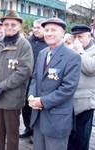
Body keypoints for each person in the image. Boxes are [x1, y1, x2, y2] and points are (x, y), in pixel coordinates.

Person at [28, 18, 81, 150]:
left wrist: (42, 101)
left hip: (57, 119)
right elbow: (35, 78)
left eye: (53, 30)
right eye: (46, 30)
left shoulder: (72, 57)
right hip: (39, 116)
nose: (49, 33)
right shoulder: (42, 53)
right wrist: (31, 95)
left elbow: (68, 89)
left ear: (63, 33)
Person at [0, 10, 34, 150]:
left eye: (13, 24)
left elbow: (23, 72)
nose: (9, 27)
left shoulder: (24, 45)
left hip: (12, 99)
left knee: (12, 136)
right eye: (6, 24)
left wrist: (1, 87)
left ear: (19, 26)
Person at [68, 24, 95, 150]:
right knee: (69, 138)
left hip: (85, 103)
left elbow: (91, 69)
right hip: (69, 100)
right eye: (75, 37)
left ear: (89, 36)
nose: (77, 40)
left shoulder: (92, 50)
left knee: (81, 139)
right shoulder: (72, 49)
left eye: (80, 36)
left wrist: (80, 51)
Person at [20, 18, 48, 140]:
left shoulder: (48, 43)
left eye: (39, 27)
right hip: (25, 79)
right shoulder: (28, 41)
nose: (36, 30)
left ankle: (37, 133)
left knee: (36, 107)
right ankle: (28, 128)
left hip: (39, 81)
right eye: (34, 27)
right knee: (25, 106)